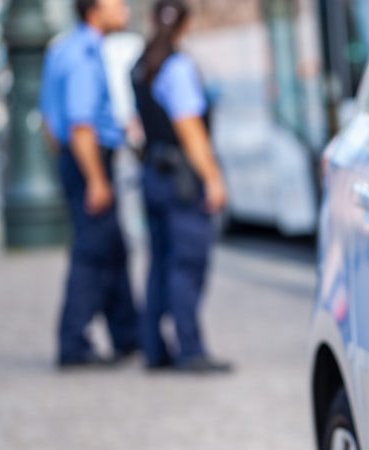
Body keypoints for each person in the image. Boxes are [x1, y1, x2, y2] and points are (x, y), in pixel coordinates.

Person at [39, 0, 140, 369]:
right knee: (92, 253)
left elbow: (51, 124)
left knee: (112, 249)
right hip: (90, 162)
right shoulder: (83, 54)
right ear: (94, 10)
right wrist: (96, 178)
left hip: (77, 161)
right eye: (117, 3)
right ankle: (73, 343)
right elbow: (81, 125)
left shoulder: (63, 49)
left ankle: (129, 334)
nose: (125, 9)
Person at [131, 0, 230, 373]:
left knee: (159, 264)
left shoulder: (141, 67)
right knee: (187, 265)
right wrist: (214, 179)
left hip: (153, 175)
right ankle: (190, 350)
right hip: (182, 180)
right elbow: (190, 130)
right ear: (185, 24)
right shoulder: (178, 67)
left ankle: (154, 349)